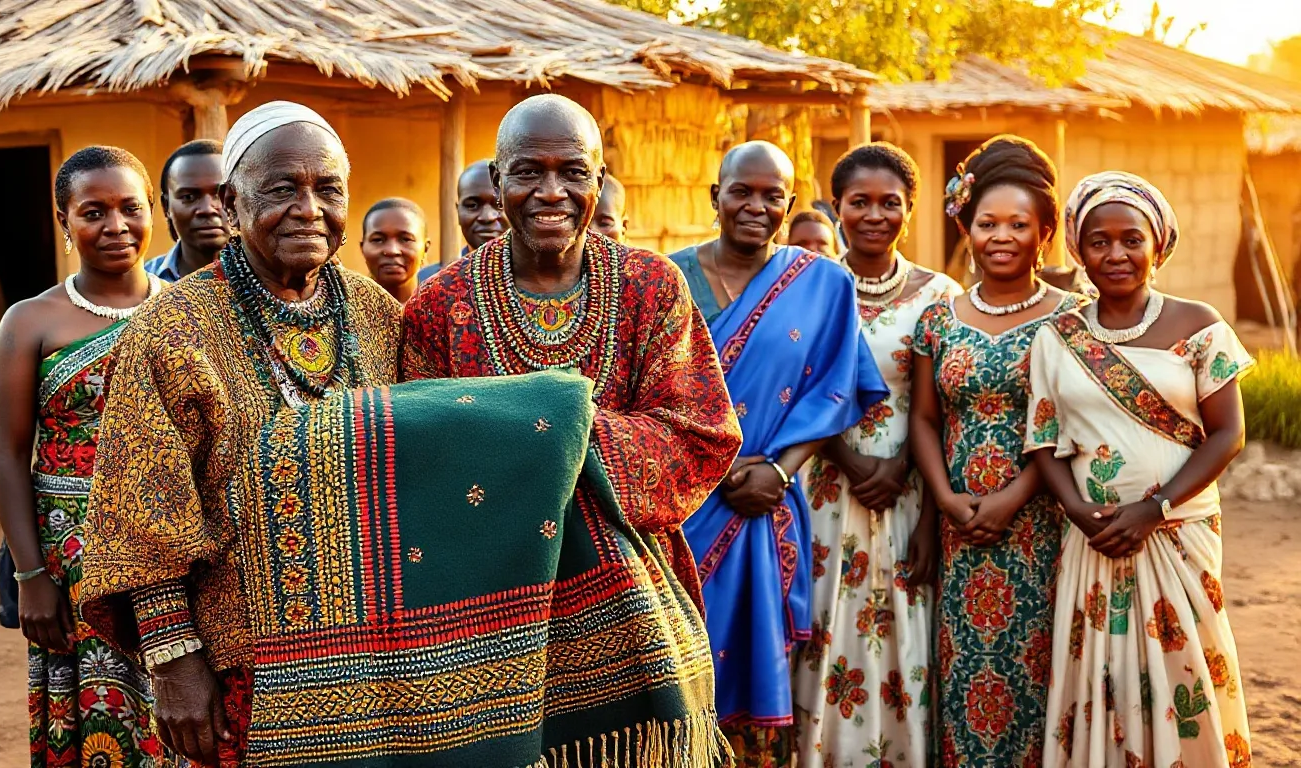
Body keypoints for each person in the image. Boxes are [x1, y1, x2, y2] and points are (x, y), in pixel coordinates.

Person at [400, 94, 743, 765]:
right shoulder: (440, 306)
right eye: (528, 172)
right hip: (491, 603)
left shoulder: (652, 286)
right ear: (497, 182)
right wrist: (540, 434)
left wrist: (554, 427)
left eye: (573, 173)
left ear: (600, 179)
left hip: (635, 601)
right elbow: (421, 464)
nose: (551, 193)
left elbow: (700, 433)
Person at [76, 102, 403, 767]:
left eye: (328, 189)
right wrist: (174, 661)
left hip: (377, 647)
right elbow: (143, 511)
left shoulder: (378, 314)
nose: (309, 207)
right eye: (283, 188)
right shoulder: (172, 327)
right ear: (231, 200)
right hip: (243, 659)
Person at [670, 140, 889, 766]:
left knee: (758, 670)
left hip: (767, 502)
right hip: (686, 507)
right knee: (680, 662)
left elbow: (838, 389)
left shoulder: (822, 285)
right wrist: (713, 469)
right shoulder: (665, 278)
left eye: (772, 196)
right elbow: (644, 390)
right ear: (715, 197)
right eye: (741, 191)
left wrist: (777, 469)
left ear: (789, 204)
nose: (755, 206)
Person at [1027, 171, 1254, 767]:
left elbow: (1228, 433)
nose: (1116, 253)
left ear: (1158, 244)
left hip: (1178, 532)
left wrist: (1153, 509)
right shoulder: (1059, 336)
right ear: (1079, 250)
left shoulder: (1199, 324)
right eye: (1099, 241)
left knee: (1185, 669)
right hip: (1094, 536)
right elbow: (1043, 441)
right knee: (1104, 668)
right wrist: (1078, 512)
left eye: (1132, 238)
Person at [0, 146, 168, 767]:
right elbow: (9, 455)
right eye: (94, 211)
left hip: (172, 544)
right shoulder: (29, 322)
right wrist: (31, 577)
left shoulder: (187, 312)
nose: (116, 226)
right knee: (95, 717)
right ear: (65, 221)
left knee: (184, 706)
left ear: (153, 215)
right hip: (72, 562)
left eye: (130, 208)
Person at [909, 135, 1085, 766]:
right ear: (966, 224)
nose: (1001, 236)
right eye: (987, 223)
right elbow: (926, 420)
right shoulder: (939, 318)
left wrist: (1014, 498)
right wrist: (947, 502)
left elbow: (1075, 425)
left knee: (1041, 672)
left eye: (1019, 224)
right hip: (962, 529)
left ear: (1044, 235)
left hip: (1044, 526)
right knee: (963, 675)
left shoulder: (1073, 319)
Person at [794, 142, 962, 767]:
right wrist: (849, 459)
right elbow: (795, 393)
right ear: (835, 206)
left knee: (903, 631)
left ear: (911, 209)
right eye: (858, 201)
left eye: (889, 203)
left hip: (909, 489)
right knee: (822, 627)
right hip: (824, 489)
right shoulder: (807, 288)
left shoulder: (940, 296)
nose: (873, 214)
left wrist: (923, 504)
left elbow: (945, 408)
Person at [144, 139, 227, 281]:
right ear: (166, 206)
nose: (207, 209)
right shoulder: (145, 284)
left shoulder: (272, 282)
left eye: (220, 194)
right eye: (189, 197)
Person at [415, 159, 507, 282]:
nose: (487, 217)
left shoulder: (538, 281)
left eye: (500, 204)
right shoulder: (428, 281)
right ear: (458, 211)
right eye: (472, 205)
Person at [359, 197, 429, 303]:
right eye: (378, 240)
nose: (392, 250)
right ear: (362, 248)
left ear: (425, 249)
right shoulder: (343, 311)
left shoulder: (442, 311)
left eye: (406, 239)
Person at [589, 174, 628, 242]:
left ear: (624, 225)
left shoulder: (638, 253)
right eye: (581, 225)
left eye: (604, 223)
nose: (592, 232)